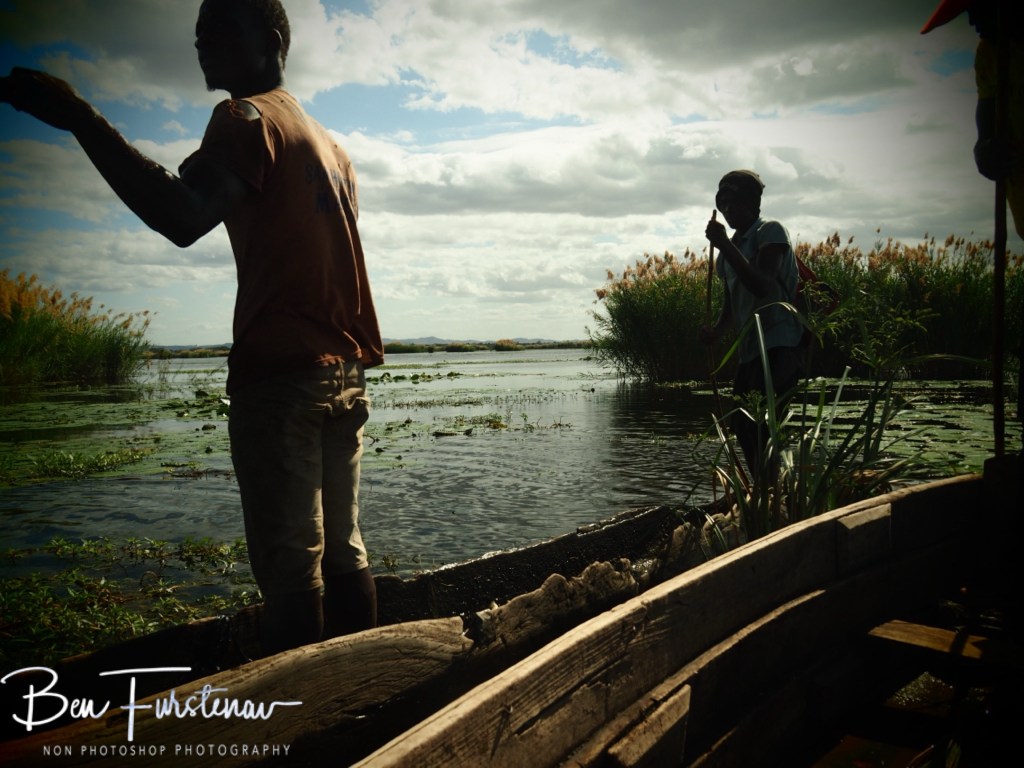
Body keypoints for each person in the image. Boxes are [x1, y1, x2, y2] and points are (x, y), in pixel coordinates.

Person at [0, 0, 385, 656]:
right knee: (343, 555)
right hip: (343, 376)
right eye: (199, 36)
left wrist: (80, 120)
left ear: (269, 42)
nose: (204, 45)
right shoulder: (331, 147)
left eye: (221, 33)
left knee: (293, 576)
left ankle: (303, 732)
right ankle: (374, 700)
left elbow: (181, 215)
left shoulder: (243, 118)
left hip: (285, 378)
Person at [700, 170, 803, 480]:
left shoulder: (770, 232)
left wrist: (724, 246)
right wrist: (717, 331)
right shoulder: (726, 255)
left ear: (754, 203)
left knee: (767, 423)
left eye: (735, 203)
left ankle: (777, 492)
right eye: (724, 203)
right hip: (750, 350)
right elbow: (731, 306)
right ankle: (764, 489)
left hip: (779, 344)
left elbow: (762, 285)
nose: (729, 210)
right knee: (743, 425)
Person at [921, 0, 1022, 238]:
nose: (972, 21)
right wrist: (985, 152)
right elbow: (985, 135)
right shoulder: (989, 54)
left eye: (981, 8)